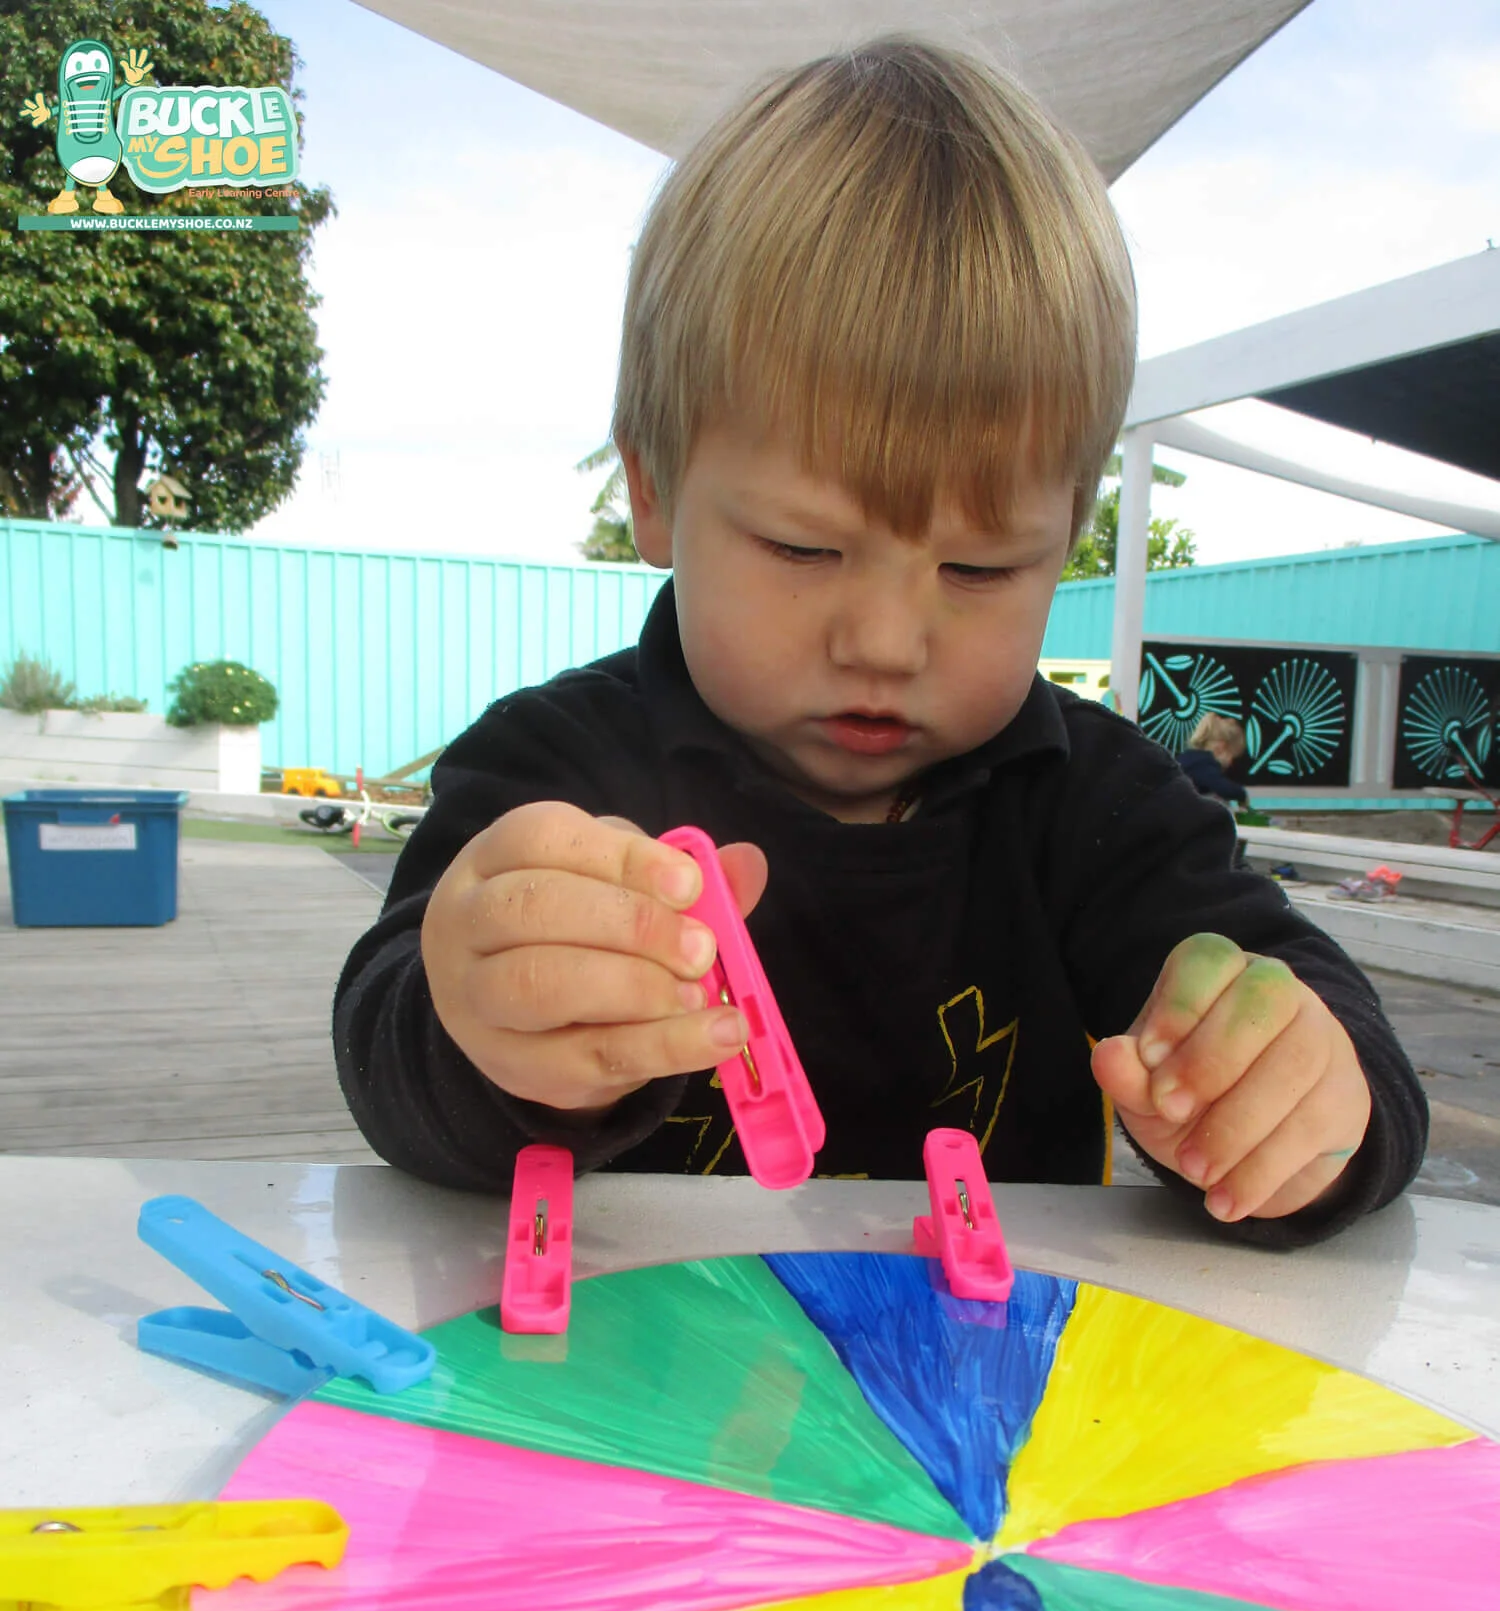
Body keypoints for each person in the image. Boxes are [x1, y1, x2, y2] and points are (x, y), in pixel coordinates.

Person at [335, 39, 1424, 1245]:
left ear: (1065, 536)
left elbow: (1336, 1034)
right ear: (652, 492)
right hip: (621, 1400)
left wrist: (1298, 1102)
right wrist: (487, 1015)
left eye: (979, 566)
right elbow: (395, 1066)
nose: (887, 639)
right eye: (804, 548)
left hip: (999, 1406)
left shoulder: (1098, 808)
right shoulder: (557, 769)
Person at [1178, 714, 1249, 806]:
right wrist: (1242, 794)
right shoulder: (1203, 764)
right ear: (1221, 748)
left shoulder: (1189, 759)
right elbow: (1223, 788)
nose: (1231, 763)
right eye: (1232, 756)